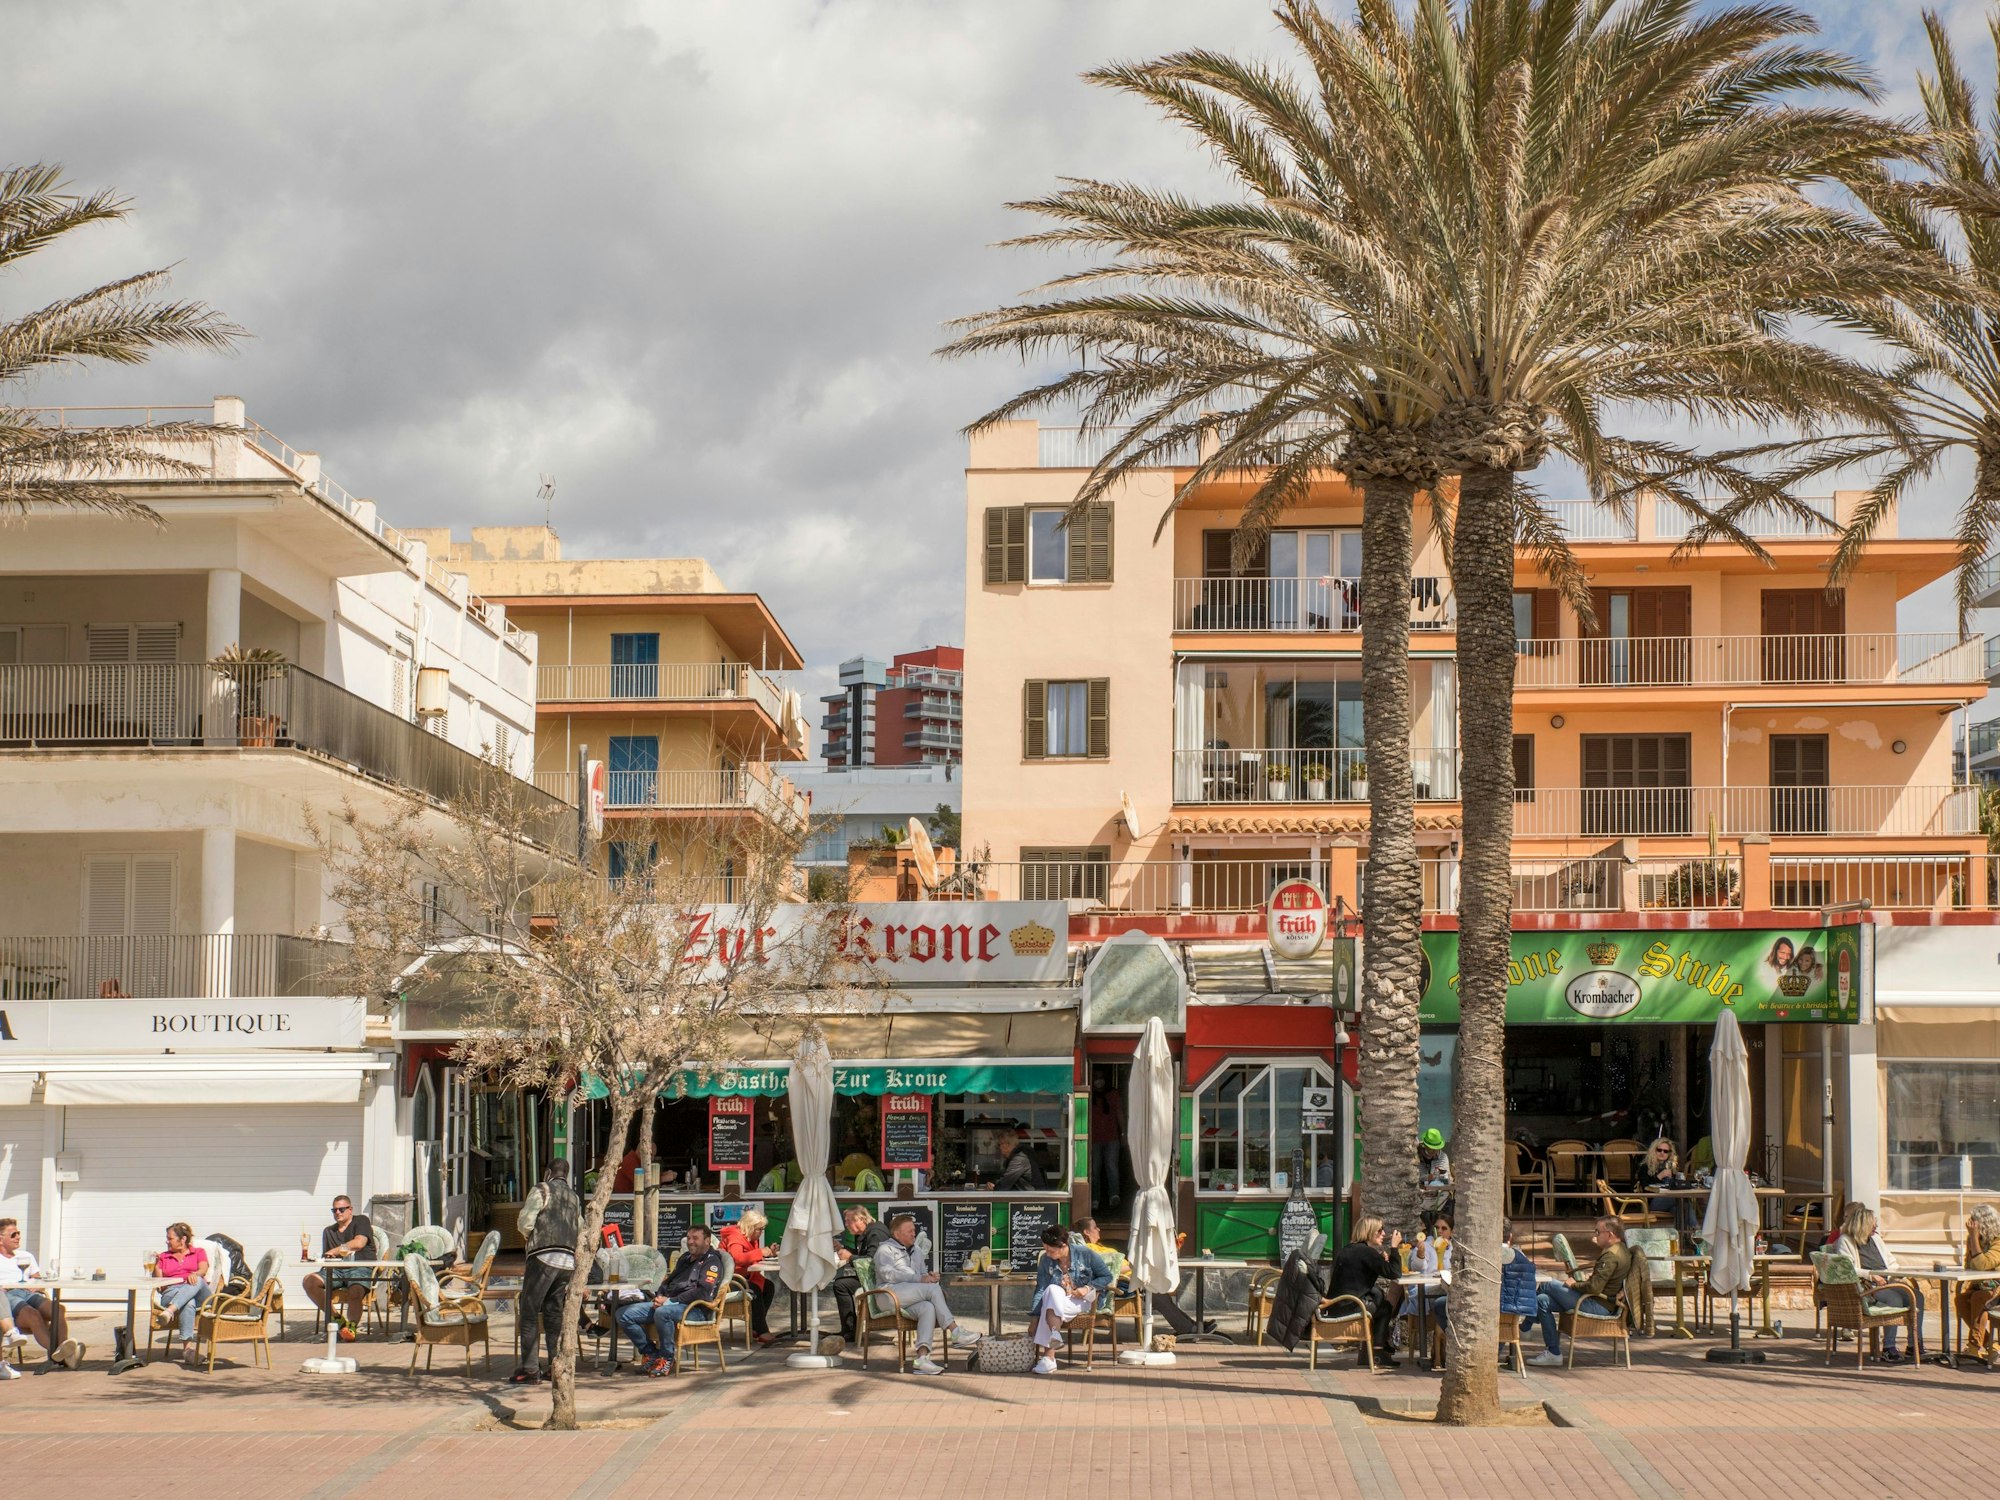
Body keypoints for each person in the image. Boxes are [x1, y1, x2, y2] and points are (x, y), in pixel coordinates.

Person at [616, 1222, 731, 1375]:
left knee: (662, 1313)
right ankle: (650, 1353)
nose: (690, 1242)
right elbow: (670, 1281)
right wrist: (659, 1296)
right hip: (669, 1305)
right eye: (689, 1238)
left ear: (707, 1241)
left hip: (696, 1309)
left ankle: (667, 1358)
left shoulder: (712, 1262)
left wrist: (670, 1301)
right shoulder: (685, 1258)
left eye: (695, 1238)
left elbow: (703, 1292)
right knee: (623, 1314)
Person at [872, 1212, 979, 1374]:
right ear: (896, 1234)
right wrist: (920, 1279)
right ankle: (955, 1331)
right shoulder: (884, 1249)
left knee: (928, 1308)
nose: (914, 1233)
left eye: (914, 1230)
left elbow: (921, 1275)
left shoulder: (917, 1251)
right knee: (932, 1289)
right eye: (909, 1231)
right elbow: (888, 1274)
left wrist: (929, 1277)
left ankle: (922, 1359)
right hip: (887, 1295)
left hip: (908, 1296)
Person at [512, 1158, 581, 1384]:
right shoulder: (574, 1197)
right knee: (553, 1312)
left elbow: (525, 1222)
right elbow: (579, 1227)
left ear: (548, 1172)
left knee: (529, 1311)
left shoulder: (541, 1189)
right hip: (567, 1261)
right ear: (566, 1175)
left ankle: (530, 1369)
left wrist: (531, 1239)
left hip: (543, 1255)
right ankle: (554, 1366)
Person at [1832, 1202, 1925, 1364]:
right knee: (1894, 1299)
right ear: (1863, 1225)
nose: (1876, 1225)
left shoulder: (1875, 1239)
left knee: (1918, 1296)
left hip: (1887, 1282)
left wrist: (1900, 1273)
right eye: (1872, 1223)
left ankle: (1914, 1344)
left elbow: (1891, 1262)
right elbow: (1848, 1268)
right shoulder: (1846, 1241)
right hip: (1867, 1286)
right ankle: (1888, 1348)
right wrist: (1871, 1276)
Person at [1534, 1217, 1633, 1366]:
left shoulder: (1611, 1255)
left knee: (1548, 1285)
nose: (1595, 1235)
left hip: (1598, 1305)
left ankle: (1526, 1324)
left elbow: (1594, 1288)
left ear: (1610, 1234)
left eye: (1598, 1232)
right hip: (1595, 1300)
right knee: (1542, 1299)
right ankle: (1553, 1353)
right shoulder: (1620, 1249)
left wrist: (1574, 1285)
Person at [0, 1218, 81, 1373]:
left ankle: (63, 1348)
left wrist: (36, 1286)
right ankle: (62, 1354)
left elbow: (37, 1277)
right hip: (7, 1296)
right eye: (13, 1234)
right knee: (33, 1315)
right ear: (1, 1239)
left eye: (19, 1233)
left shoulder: (25, 1255)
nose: (18, 1237)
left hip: (28, 1292)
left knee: (58, 1309)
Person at [1030, 1223, 1112, 1374]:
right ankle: (1054, 1335)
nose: (1047, 1254)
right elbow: (1040, 1288)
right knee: (1051, 1290)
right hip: (1059, 1300)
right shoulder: (1046, 1261)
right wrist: (1034, 1316)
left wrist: (1087, 1287)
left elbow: (1107, 1276)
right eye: (1045, 1249)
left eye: (1050, 1250)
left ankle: (1049, 1358)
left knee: (1048, 1306)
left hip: (1085, 1300)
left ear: (1063, 1245)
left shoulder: (1085, 1253)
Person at [1331, 1216, 1404, 1366]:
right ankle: (1378, 1353)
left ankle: (1368, 1354)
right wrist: (1395, 1248)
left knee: (1379, 1302)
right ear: (1370, 1232)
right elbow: (1395, 1273)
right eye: (1380, 1230)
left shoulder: (1350, 1249)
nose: (1383, 1233)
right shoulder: (1367, 1252)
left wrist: (1381, 1261)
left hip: (1338, 1303)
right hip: (1350, 1305)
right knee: (1385, 1309)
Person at [303, 1195, 374, 1341]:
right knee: (309, 1281)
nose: (338, 1213)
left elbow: (359, 1243)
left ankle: (352, 1329)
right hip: (336, 1270)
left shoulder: (361, 1221)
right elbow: (328, 1257)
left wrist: (335, 1250)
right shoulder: (329, 1231)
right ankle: (338, 1321)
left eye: (341, 1209)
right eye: (334, 1210)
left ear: (350, 1209)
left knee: (355, 1290)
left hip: (359, 1267)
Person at [829, 1205, 893, 1349]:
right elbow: (864, 1254)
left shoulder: (876, 1233)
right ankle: (850, 1329)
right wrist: (842, 1249)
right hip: (872, 1277)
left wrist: (850, 1257)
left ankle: (850, 1331)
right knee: (841, 1283)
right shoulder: (867, 1231)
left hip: (880, 1280)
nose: (846, 1225)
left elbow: (870, 1261)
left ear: (861, 1219)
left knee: (840, 1285)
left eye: (848, 1221)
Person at [719, 1209, 780, 1346]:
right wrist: (760, 1252)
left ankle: (755, 1327)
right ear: (751, 1227)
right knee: (754, 1290)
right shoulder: (735, 1237)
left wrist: (768, 1253)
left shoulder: (750, 1238)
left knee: (768, 1287)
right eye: (759, 1229)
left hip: (745, 1276)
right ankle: (762, 1330)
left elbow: (751, 1257)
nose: (761, 1232)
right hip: (730, 1280)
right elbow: (738, 1258)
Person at [157, 1223, 212, 1368]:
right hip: (171, 1292)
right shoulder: (163, 1256)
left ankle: (169, 1311)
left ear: (183, 1239)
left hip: (199, 1291)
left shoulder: (199, 1252)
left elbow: (203, 1269)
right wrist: (156, 1265)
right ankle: (188, 1351)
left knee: (198, 1280)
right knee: (188, 1302)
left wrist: (194, 1275)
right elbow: (159, 1285)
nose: (167, 1241)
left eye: (170, 1238)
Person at [1957, 1202, 2000, 1364]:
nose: (1970, 1224)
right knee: (1960, 1299)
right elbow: (1970, 1266)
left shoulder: (1998, 1240)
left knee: (1979, 1298)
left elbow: (1983, 1264)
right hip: (1981, 1286)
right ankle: (1990, 1344)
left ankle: (1974, 1346)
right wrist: (1973, 1240)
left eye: (1974, 1220)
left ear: (1984, 1222)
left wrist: (1974, 1238)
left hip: (1997, 1289)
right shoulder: (1977, 1239)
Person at [1498, 1220, 1542, 1367]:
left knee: (1441, 1304)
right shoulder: (1522, 1259)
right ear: (1509, 1237)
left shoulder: (1484, 1257)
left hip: (1487, 1312)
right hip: (1513, 1311)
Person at [1089, 1073, 1123, 1213]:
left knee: (1111, 1167)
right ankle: (1095, 1199)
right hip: (1093, 1138)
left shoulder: (1113, 1094)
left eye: (1101, 1078)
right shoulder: (1089, 1095)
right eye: (1096, 1078)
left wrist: (1124, 1133)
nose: (1099, 1081)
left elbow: (1119, 1113)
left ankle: (1114, 1196)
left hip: (1112, 1137)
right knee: (1095, 1171)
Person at [992, 1126, 1045, 1191]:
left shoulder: (1019, 1159)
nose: (999, 1148)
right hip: (1030, 1196)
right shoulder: (1018, 1156)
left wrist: (994, 1186)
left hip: (1031, 1198)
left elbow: (1004, 1185)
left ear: (1005, 1145)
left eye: (999, 1144)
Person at [1418, 1129, 1453, 1226]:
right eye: (1430, 1149)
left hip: (1439, 1196)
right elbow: (1416, 1176)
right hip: (1421, 1195)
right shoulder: (1416, 1156)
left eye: (1435, 1149)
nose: (1433, 1151)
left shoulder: (1443, 1157)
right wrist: (1426, 1178)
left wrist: (1438, 1177)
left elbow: (1445, 1176)